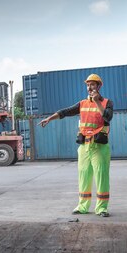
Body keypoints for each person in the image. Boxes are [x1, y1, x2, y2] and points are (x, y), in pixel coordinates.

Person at [38, 73, 114, 217]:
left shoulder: (107, 102)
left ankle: (102, 208)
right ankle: (82, 206)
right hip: (84, 147)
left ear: (99, 86)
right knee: (84, 176)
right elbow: (65, 112)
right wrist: (50, 118)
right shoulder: (82, 104)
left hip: (99, 147)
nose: (89, 87)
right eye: (87, 85)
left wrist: (97, 101)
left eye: (92, 84)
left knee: (101, 176)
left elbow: (108, 117)